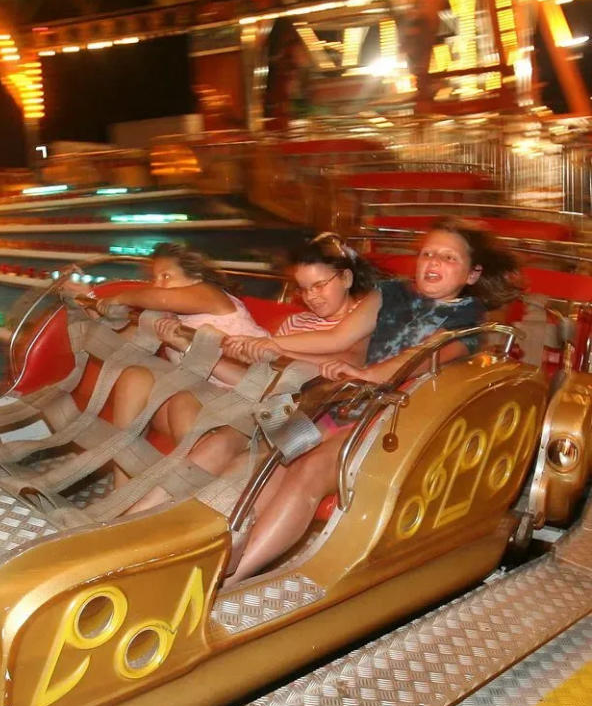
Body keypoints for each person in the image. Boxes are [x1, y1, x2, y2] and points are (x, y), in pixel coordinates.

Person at [219, 218, 523, 585]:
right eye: (428, 253)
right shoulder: (389, 293)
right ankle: (226, 554)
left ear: (472, 274)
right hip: (352, 401)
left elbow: (420, 356)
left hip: (401, 417)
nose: (433, 263)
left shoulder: (469, 321)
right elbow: (337, 337)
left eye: (448, 257)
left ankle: (233, 579)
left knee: (309, 470)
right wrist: (274, 344)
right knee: (280, 458)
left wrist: (370, 374)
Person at [126, 233, 378, 511]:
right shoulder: (294, 323)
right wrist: (194, 348)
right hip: (265, 407)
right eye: (304, 289)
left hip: (307, 417)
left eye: (319, 285)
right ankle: (143, 513)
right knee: (213, 431)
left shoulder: (360, 324)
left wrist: (272, 350)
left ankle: (170, 517)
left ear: (345, 279)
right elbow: (257, 381)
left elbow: (339, 365)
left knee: (235, 449)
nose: (312, 297)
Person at [90, 242, 267, 488]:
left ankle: (196, 490)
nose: (158, 284)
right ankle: (122, 486)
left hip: (245, 399)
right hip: (201, 399)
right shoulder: (171, 316)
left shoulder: (211, 295)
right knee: (134, 376)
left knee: (183, 399)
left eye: (166, 276)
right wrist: (98, 315)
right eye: (155, 278)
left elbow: (159, 297)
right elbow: (122, 344)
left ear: (195, 277)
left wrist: (118, 298)